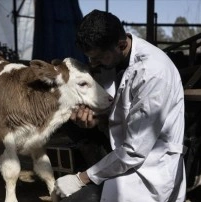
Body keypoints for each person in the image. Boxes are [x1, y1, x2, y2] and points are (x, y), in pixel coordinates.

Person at [54, 9, 187, 202]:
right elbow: (122, 111)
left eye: (98, 58)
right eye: (90, 57)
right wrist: (96, 120)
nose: (93, 63)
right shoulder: (116, 60)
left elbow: (134, 150)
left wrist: (81, 178)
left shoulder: (153, 73)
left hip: (149, 168)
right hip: (122, 153)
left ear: (121, 44)